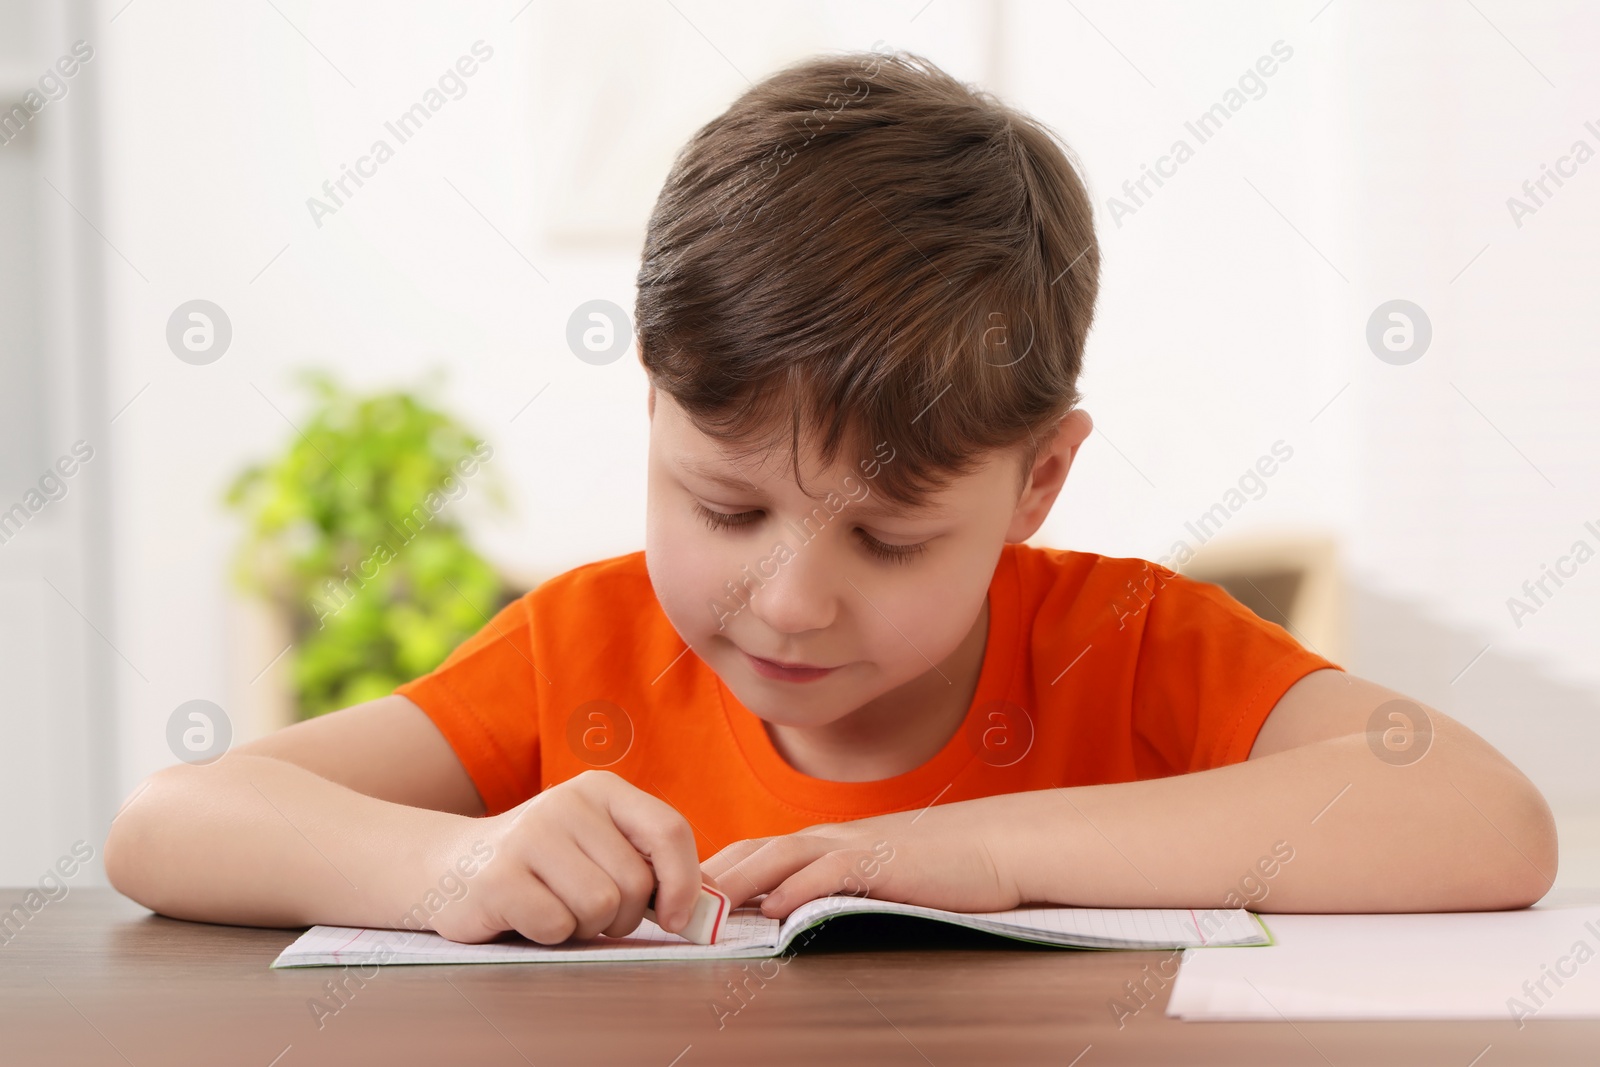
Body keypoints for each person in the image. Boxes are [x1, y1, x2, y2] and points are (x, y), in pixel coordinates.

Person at [105, 49, 1557, 945]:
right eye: (727, 509)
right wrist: (455, 861)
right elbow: (169, 824)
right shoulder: (585, 654)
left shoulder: (1126, 642)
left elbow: (1486, 821)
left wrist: (977, 850)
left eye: (890, 535)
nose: (791, 597)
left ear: (1037, 479)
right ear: (654, 404)